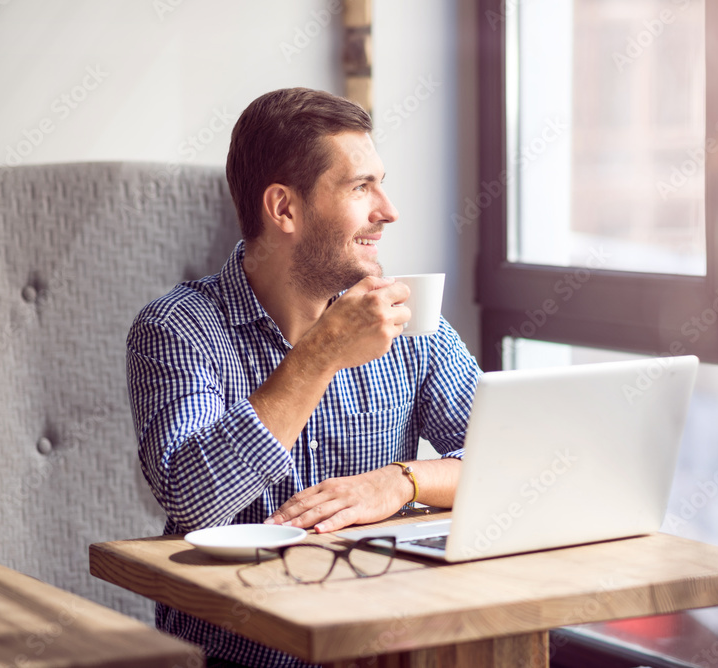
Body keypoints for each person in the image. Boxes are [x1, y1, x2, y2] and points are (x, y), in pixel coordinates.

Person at [126, 87, 480, 668]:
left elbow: (508, 463)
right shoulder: (177, 329)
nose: (388, 211)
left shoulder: (408, 319)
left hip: (382, 646)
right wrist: (322, 353)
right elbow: (195, 499)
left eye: (381, 183)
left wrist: (398, 482)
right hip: (240, 657)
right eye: (360, 187)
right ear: (284, 209)